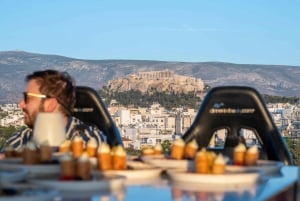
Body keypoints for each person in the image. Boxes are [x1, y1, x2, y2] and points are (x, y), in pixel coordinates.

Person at [4, 69, 106, 151]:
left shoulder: (87, 139)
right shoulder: (23, 138)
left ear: (50, 104)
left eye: (27, 98)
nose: (21, 104)